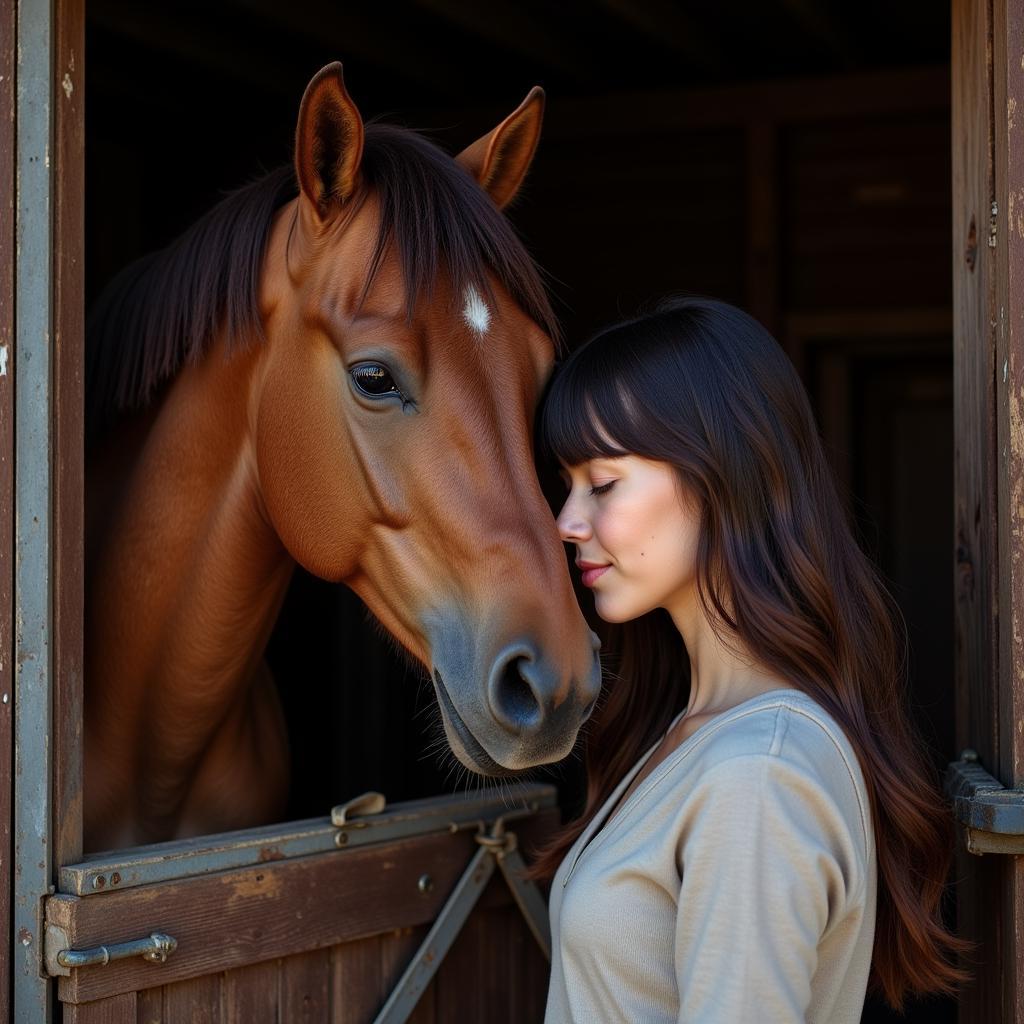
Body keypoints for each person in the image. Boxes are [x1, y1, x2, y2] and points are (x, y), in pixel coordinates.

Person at [534, 296, 966, 1023]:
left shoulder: (757, 773)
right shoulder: (695, 733)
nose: (566, 523)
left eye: (602, 483)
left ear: (721, 475)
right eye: (567, 487)